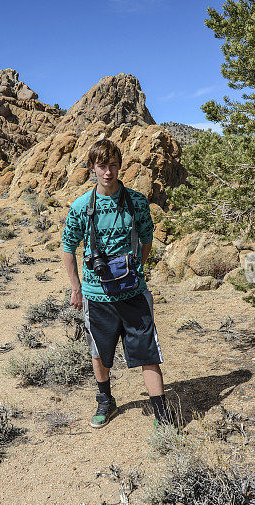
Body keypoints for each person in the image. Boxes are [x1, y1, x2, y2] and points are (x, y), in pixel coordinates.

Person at [62, 138, 173, 429]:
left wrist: (134, 270)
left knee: (148, 351)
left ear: (120, 166)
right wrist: (76, 287)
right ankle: (105, 400)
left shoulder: (136, 201)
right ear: (92, 168)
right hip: (97, 295)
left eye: (113, 165)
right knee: (100, 352)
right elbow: (68, 248)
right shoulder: (81, 206)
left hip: (133, 292)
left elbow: (147, 240)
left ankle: (162, 414)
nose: (108, 172)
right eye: (102, 166)